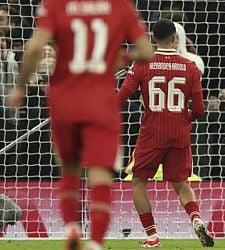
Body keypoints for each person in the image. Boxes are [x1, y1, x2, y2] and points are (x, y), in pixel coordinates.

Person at [9, 0, 153, 249]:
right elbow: (146, 52)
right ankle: (95, 242)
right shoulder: (120, 6)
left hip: (64, 99)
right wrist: (121, 56)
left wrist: (20, 86)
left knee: (70, 168)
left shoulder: (55, 4)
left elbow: (34, 48)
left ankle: (72, 228)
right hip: (101, 102)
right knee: (100, 174)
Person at [117, 19, 213, 248]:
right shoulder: (191, 67)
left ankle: (152, 236)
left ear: (152, 39)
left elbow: (121, 98)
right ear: (175, 39)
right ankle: (197, 219)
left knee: (139, 183)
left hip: (152, 132)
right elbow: (199, 110)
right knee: (181, 184)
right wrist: (182, 118)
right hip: (179, 133)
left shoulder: (142, 64)